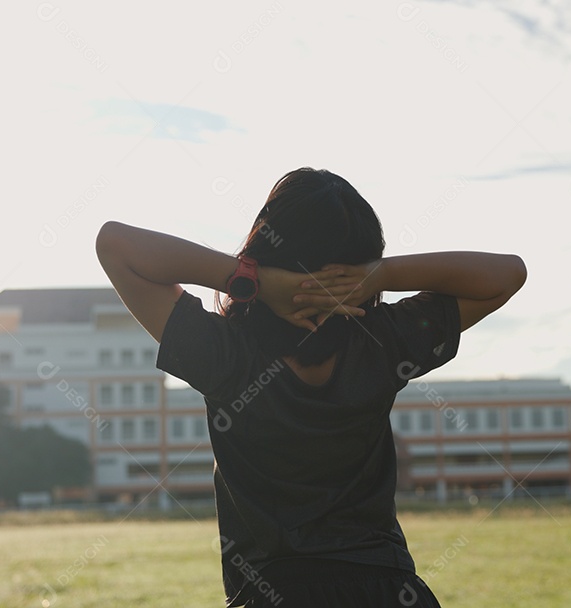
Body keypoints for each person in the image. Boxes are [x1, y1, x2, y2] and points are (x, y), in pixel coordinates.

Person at [96, 167, 526, 607]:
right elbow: (507, 274)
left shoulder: (225, 355)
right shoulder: (383, 342)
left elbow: (115, 245)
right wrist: (381, 275)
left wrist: (250, 278)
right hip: (387, 589)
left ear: (265, 252)